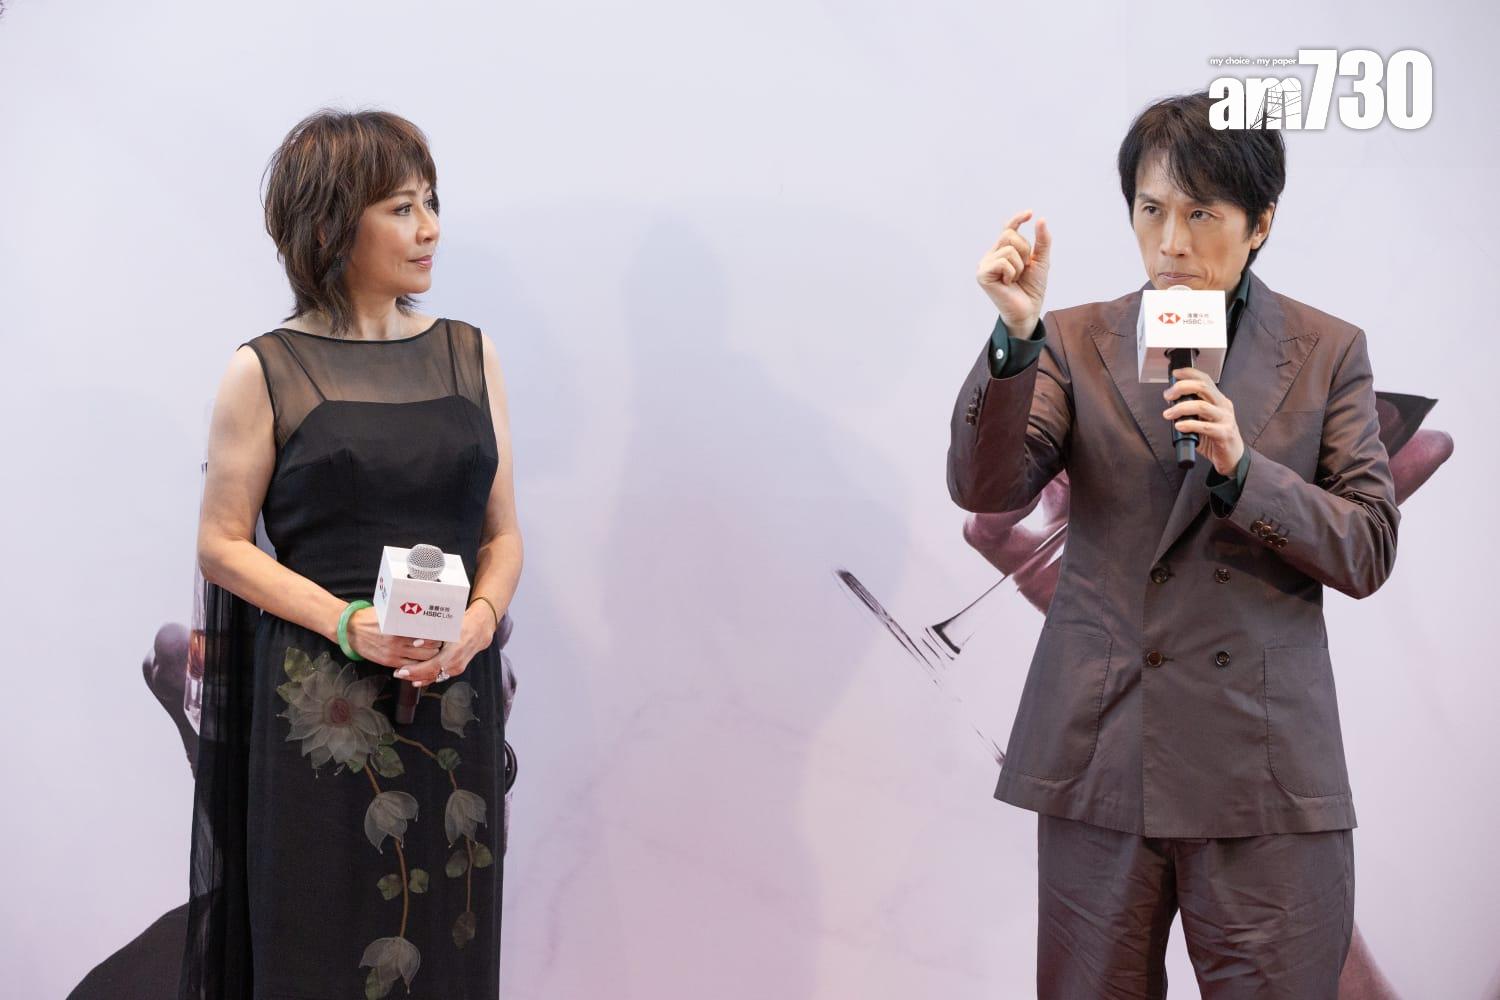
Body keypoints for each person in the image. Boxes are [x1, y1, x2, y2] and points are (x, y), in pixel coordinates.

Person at [947, 91, 1399, 998]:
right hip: (1105, 754)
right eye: (1151, 210)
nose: (1171, 244)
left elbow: (1367, 547)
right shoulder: (1072, 340)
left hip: (1263, 769)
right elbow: (987, 489)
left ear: (1260, 223)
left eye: (1201, 215)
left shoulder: (1326, 350)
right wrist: (1015, 341)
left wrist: (1244, 471)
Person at [181, 109, 523, 1000]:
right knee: (321, 944)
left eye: (431, 203)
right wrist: (349, 625)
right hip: (323, 707)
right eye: (402, 208)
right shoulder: (265, 369)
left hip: (453, 699)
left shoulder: (470, 355)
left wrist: (481, 622)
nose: (429, 228)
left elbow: (502, 534)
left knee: (449, 940)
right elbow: (221, 545)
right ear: (332, 225)